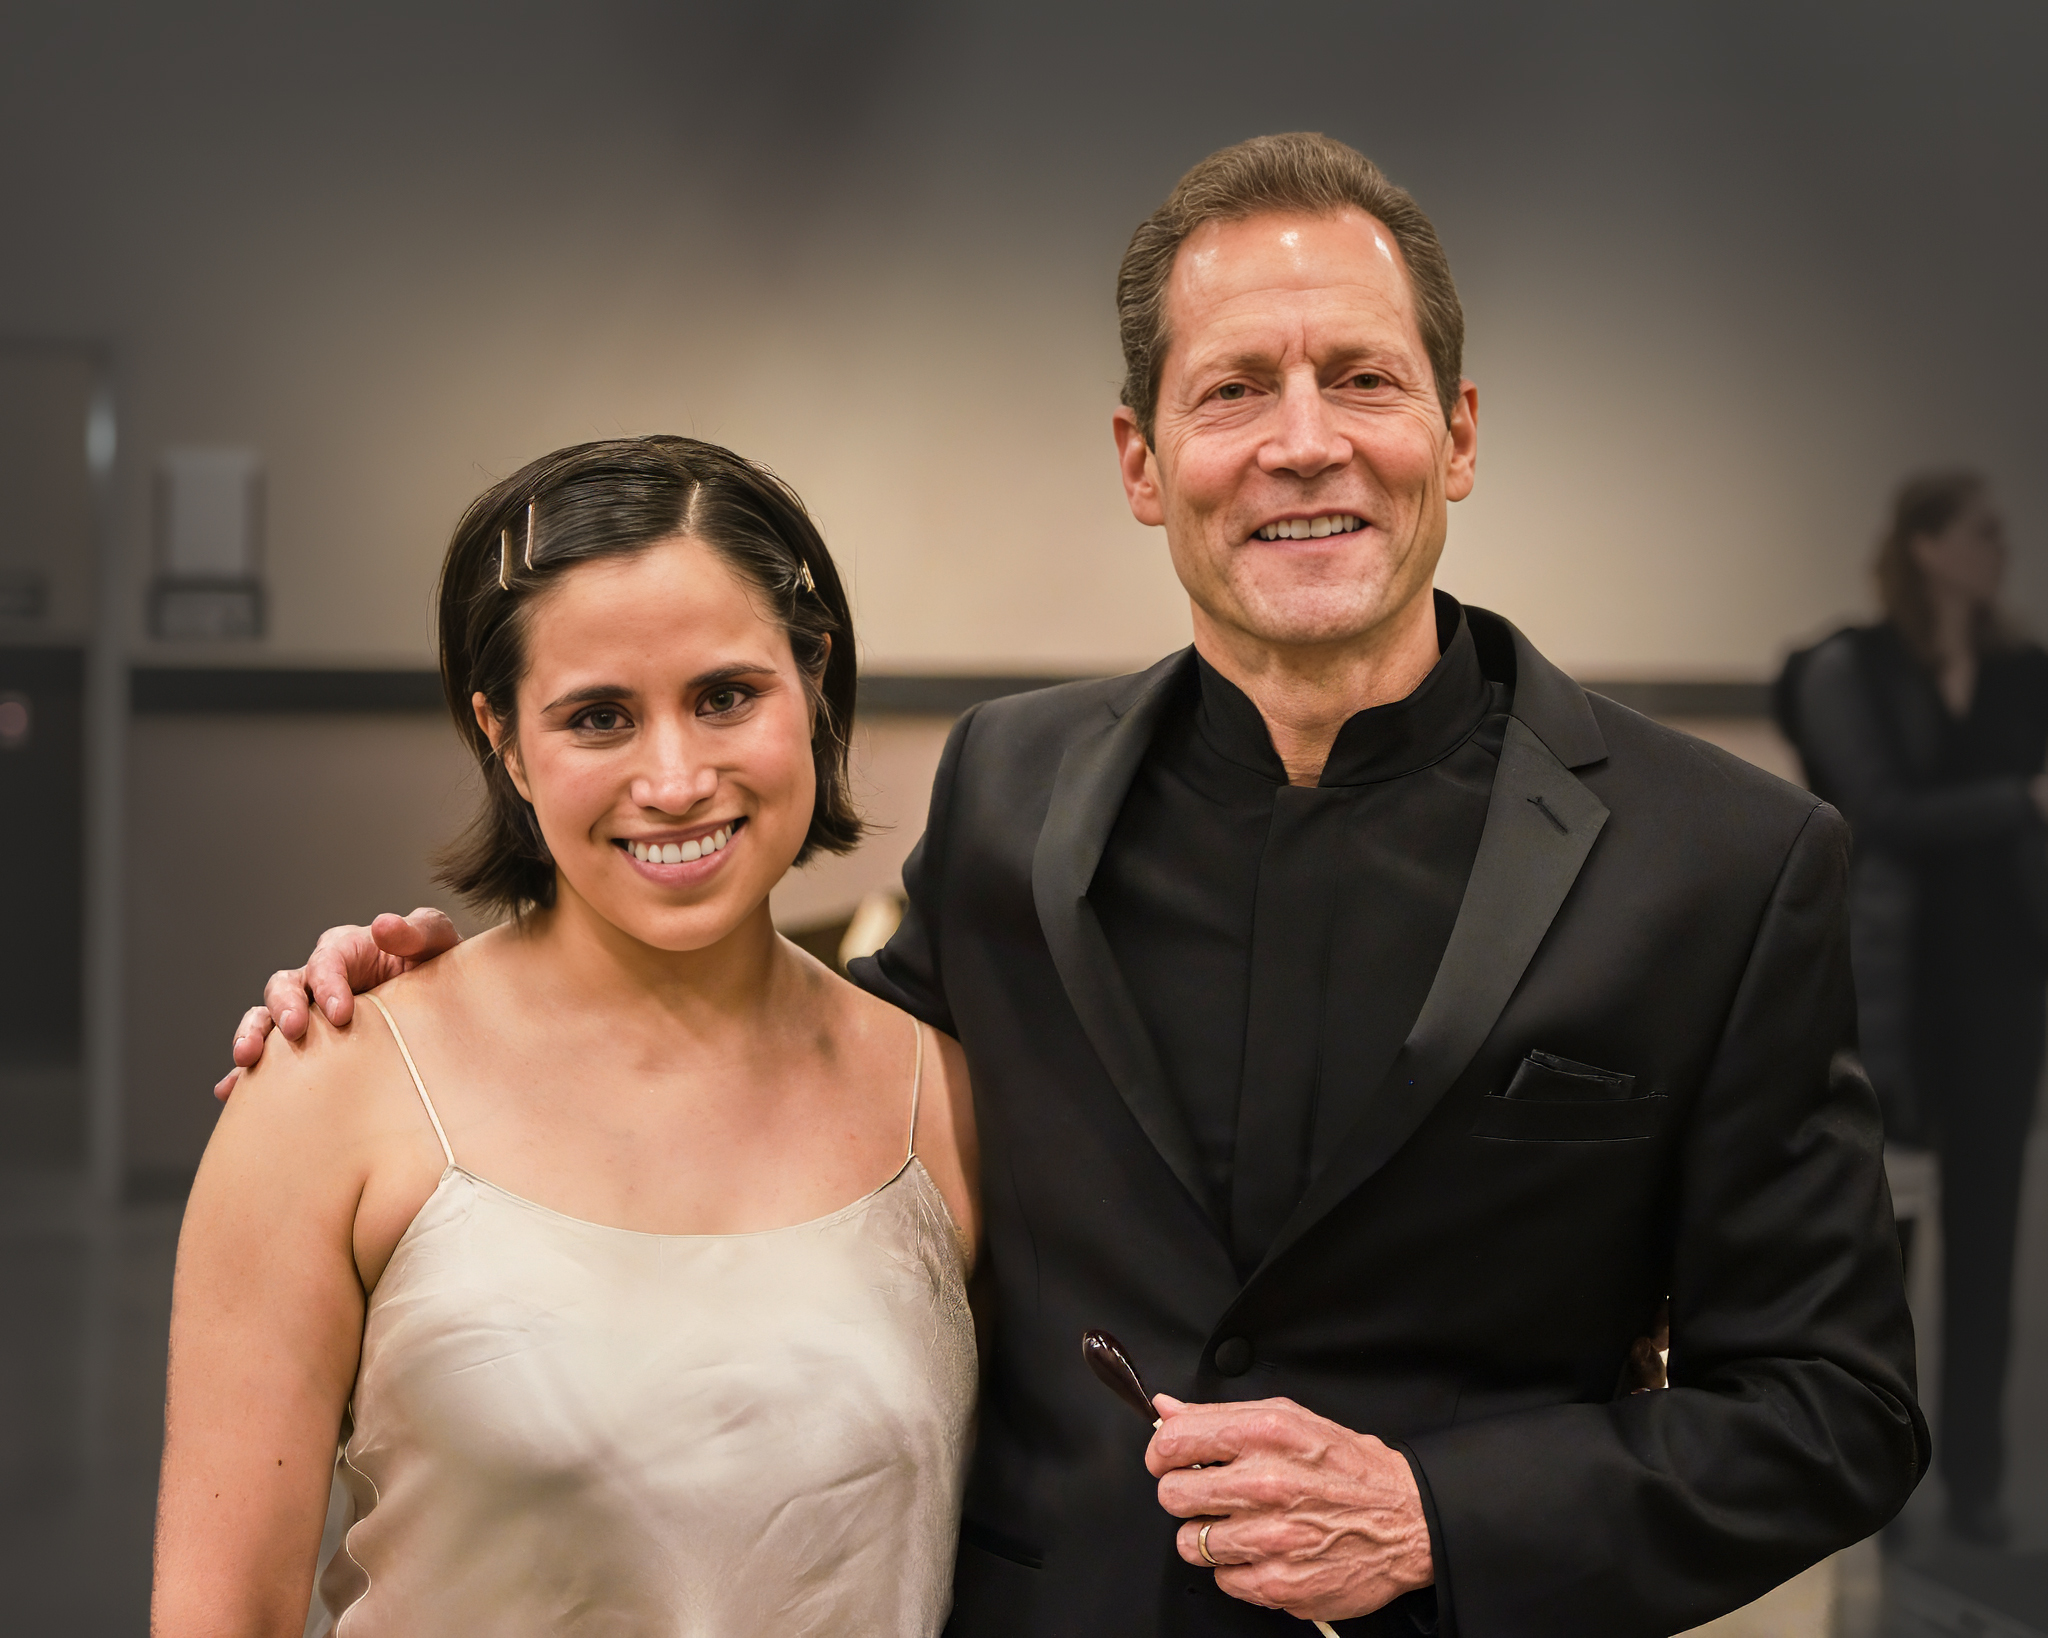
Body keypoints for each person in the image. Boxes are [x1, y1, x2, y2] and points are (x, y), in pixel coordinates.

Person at [225, 134, 1925, 1636]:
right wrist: (460, 998)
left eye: (1361, 376)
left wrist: (1435, 1513)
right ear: (1139, 461)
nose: (1302, 442)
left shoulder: (1724, 859)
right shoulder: (1012, 785)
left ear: (1456, 431)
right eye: (1234, 389)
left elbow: (1832, 1405)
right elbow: (782, 1064)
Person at [155, 438, 980, 1635]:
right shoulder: (332, 1092)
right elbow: (221, 1615)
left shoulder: (943, 1100)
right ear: (502, 737)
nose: (673, 777)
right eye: (598, 717)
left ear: (813, 679)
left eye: (724, 696)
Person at [1785, 472, 2048, 1547]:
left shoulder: (2023, 671)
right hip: (1883, 999)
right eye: (1981, 532)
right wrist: (2014, 804)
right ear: (1929, 544)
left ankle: (1975, 1488)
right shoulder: (1846, 666)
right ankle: (1876, 1485)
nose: (2000, 549)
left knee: (1986, 1252)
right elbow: (1874, 812)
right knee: (1877, 1254)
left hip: (1995, 996)